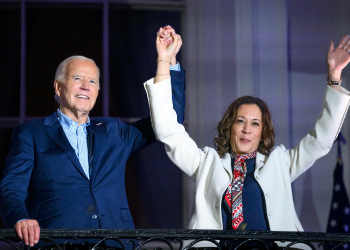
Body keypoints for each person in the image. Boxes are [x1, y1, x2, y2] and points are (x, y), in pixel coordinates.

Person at [144, 29, 350, 249]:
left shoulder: (281, 162)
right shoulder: (206, 162)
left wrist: (334, 77)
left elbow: (322, 140)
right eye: (240, 121)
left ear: (263, 132)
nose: (246, 130)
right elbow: (167, 130)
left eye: (255, 123)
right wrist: (164, 61)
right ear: (230, 125)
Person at [0, 27, 185, 249]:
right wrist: (20, 219)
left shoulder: (114, 130)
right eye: (78, 78)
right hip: (56, 244)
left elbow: (170, 120)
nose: (86, 86)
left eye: (93, 82)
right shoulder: (31, 133)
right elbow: (11, 189)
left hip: (116, 242)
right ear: (59, 87)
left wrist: (167, 61)